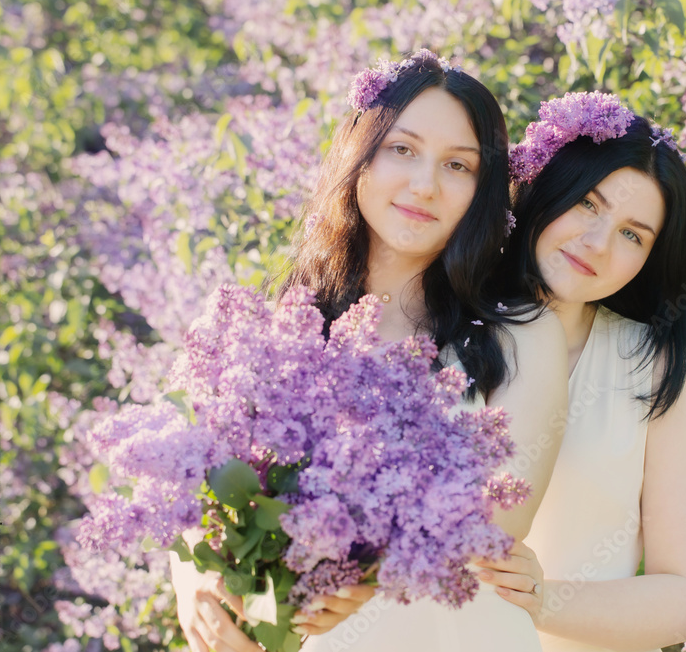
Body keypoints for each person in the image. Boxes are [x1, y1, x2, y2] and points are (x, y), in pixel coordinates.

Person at [169, 50, 568, 652]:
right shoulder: (272, 325)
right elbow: (201, 483)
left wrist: (355, 571)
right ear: (359, 159)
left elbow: (500, 518)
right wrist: (196, 581)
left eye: (457, 165)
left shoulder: (520, 334)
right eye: (401, 150)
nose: (425, 184)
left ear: (481, 191)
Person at [475, 92, 686, 651]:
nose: (598, 243)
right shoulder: (442, 322)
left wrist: (541, 601)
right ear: (546, 187)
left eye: (633, 234)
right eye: (588, 203)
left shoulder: (654, 367)